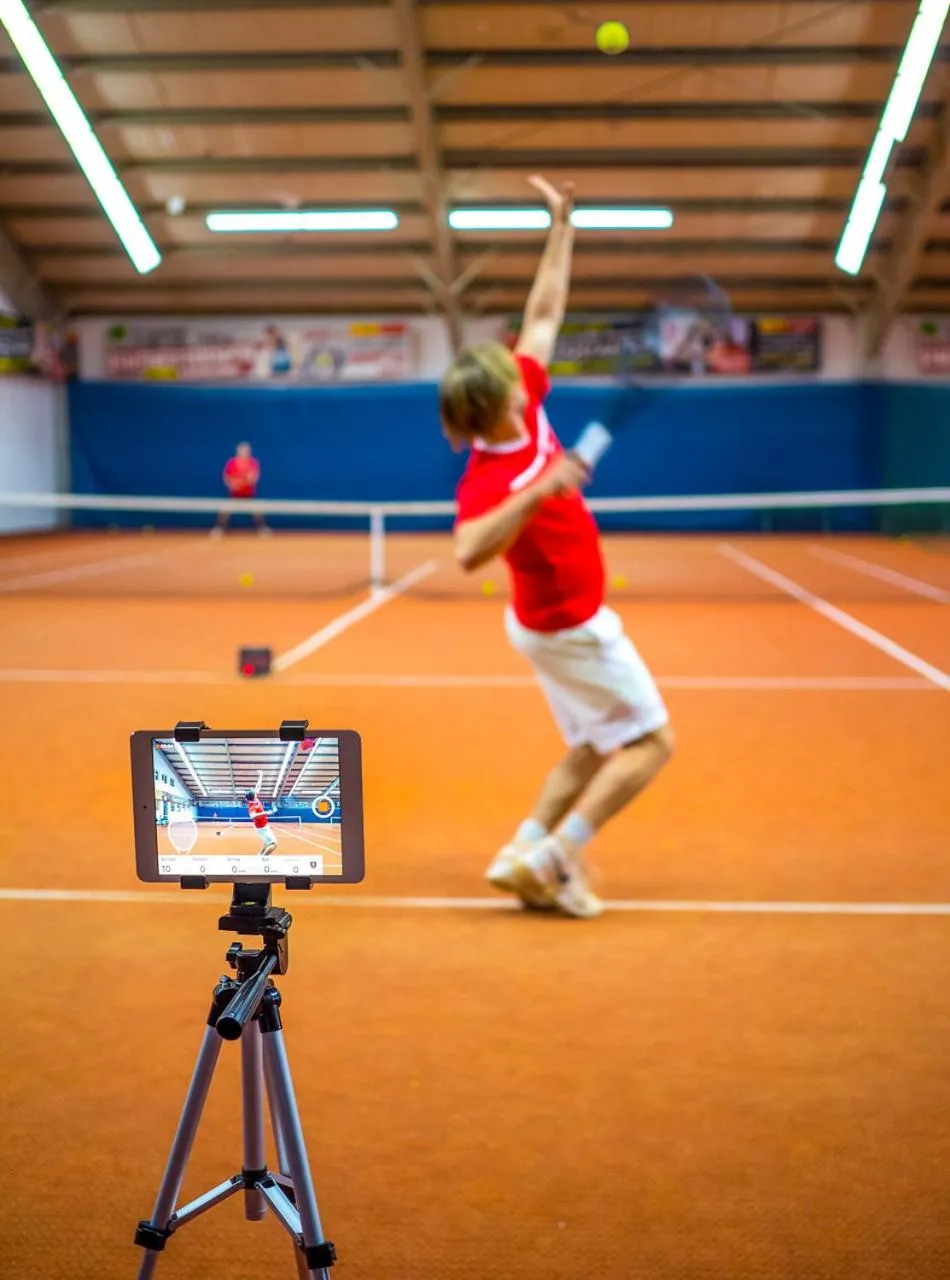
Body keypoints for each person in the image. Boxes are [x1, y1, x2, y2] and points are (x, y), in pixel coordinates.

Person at [440, 175, 674, 920]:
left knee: (590, 746)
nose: (525, 365)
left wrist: (563, 223)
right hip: (570, 626)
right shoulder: (488, 477)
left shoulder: (525, 395)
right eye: (512, 376)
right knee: (652, 744)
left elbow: (544, 310)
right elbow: (467, 551)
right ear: (497, 403)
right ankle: (560, 852)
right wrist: (540, 490)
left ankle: (522, 846)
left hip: (548, 625)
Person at [212, 441, 271, 536]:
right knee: (224, 510)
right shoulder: (231, 463)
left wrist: (240, 482)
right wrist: (234, 484)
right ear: (238, 451)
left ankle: (262, 529)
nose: (245, 452)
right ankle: (219, 529)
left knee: (258, 510)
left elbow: (253, 479)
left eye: (247, 450)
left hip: (249, 497)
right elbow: (227, 478)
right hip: (234, 497)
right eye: (242, 450)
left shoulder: (253, 463)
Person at [245, 789, 278, 856]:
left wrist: (260, 778)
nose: (256, 792)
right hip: (262, 828)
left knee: (266, 844)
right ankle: (262, 859)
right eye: (254, 792)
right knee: (273, 844)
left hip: (263, 825)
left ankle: (259, 857)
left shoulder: (255, 799)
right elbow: (252, 816)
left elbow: (257, 788)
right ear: (253, 795)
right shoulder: (252, 806)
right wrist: (266, 812)